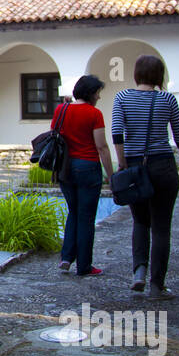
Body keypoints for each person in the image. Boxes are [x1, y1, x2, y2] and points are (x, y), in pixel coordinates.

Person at [111, 55, 179, 299]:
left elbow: (117, 133)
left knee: (140, 221)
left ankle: (138, 273)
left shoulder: (122, 97)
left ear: (136, 73)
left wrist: (123, 163)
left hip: (134, 167)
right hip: (163, 166)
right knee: (161, 228)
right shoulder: (167, 99)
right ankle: (157, 286)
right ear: (160, 75)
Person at [54, 75, 115, 277]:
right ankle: (84, 266)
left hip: (65, 168)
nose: (99, 96)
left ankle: (66, 258)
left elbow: (56, 136)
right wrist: (111, 175)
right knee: (87, 217)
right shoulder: (94, 114)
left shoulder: (60, 110)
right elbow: (102, 146)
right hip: (88, 168)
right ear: (91, 93)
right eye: (98, 92)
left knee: (73, 211)